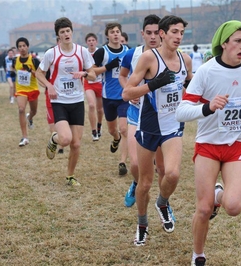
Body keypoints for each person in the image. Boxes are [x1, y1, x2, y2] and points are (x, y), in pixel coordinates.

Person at [175, 20, 241, 266]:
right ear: (224, 43)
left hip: (238, 144)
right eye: (237, 41)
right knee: (203, 210)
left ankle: (218, 194)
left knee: (234, 207)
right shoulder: (206, 71)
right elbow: (181, 112)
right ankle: (198, 254)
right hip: (209, 145)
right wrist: (208, 107)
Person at [122, 15, 193, 246]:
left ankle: (162, 203)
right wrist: (153, 84)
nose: (178, 37)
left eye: (181, 32)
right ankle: (142, 224)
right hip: (149, 127)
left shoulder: (186, 59)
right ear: (162, 33)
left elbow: (191, 86)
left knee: (172, 174)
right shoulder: (148, 58)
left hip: (173, 127)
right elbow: (127, 93)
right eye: (174, 32)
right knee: (144, 183)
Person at [36, 17, 97, 186]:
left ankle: (70, 176)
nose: (66, 34)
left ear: (72, 32)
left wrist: (83, 73)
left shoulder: (81, 52)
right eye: (62, 32)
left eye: (68, 31)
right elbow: (38, 73)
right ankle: (54, 139)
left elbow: (93, 74)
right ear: (58, 36)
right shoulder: (52, 54)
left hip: (77, 101)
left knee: (76, 144)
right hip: (59, 101)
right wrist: (49, 86)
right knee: (65, 139)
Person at [119, 14, 163, 207]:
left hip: (160, 117)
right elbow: (123, 76)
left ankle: (163, 203)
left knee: (162, 168)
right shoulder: (132, 54)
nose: (152, 37)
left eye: (156, 33)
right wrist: (129, 90)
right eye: (149, 33)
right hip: (136, 112)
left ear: (162, 34)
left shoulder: (168, 55)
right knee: (135, 164)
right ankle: (136, 183)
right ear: (142, 34)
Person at [93, 22, 130, 176]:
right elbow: (92, 72)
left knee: (124, 129)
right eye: (112, 32)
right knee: (112, 130)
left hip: (124, 96)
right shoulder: (102, 52)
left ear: (121, 35)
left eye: (117, 32)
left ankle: (122, 162)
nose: (115, 34)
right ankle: (115, 139)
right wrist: (108, 66)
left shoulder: (128, 51)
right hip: (108, 97)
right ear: (107, 35)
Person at [12, 37, 41, 147]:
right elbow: (13, 69)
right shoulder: (15, 60)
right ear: (18, 48)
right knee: (21, 109)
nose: (22, 48)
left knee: (34, 111)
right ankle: (24, 137)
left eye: (24, 46)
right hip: (21, 89)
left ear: (27, 47)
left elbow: (39, 75)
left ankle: (29, 118)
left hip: (32, 89)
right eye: (20, 46)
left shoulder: (34, 60)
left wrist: (30, 71)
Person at [84, 33, 104, 141]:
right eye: (89, 40)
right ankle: (93, 131)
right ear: (86, 42)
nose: (91, 42)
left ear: (96, 42)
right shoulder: (84, 53)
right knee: (91, 105)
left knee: (100, 109)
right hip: (88, 84)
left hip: (100, 82)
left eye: (93, 40)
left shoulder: (101, 52)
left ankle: (99, 126)